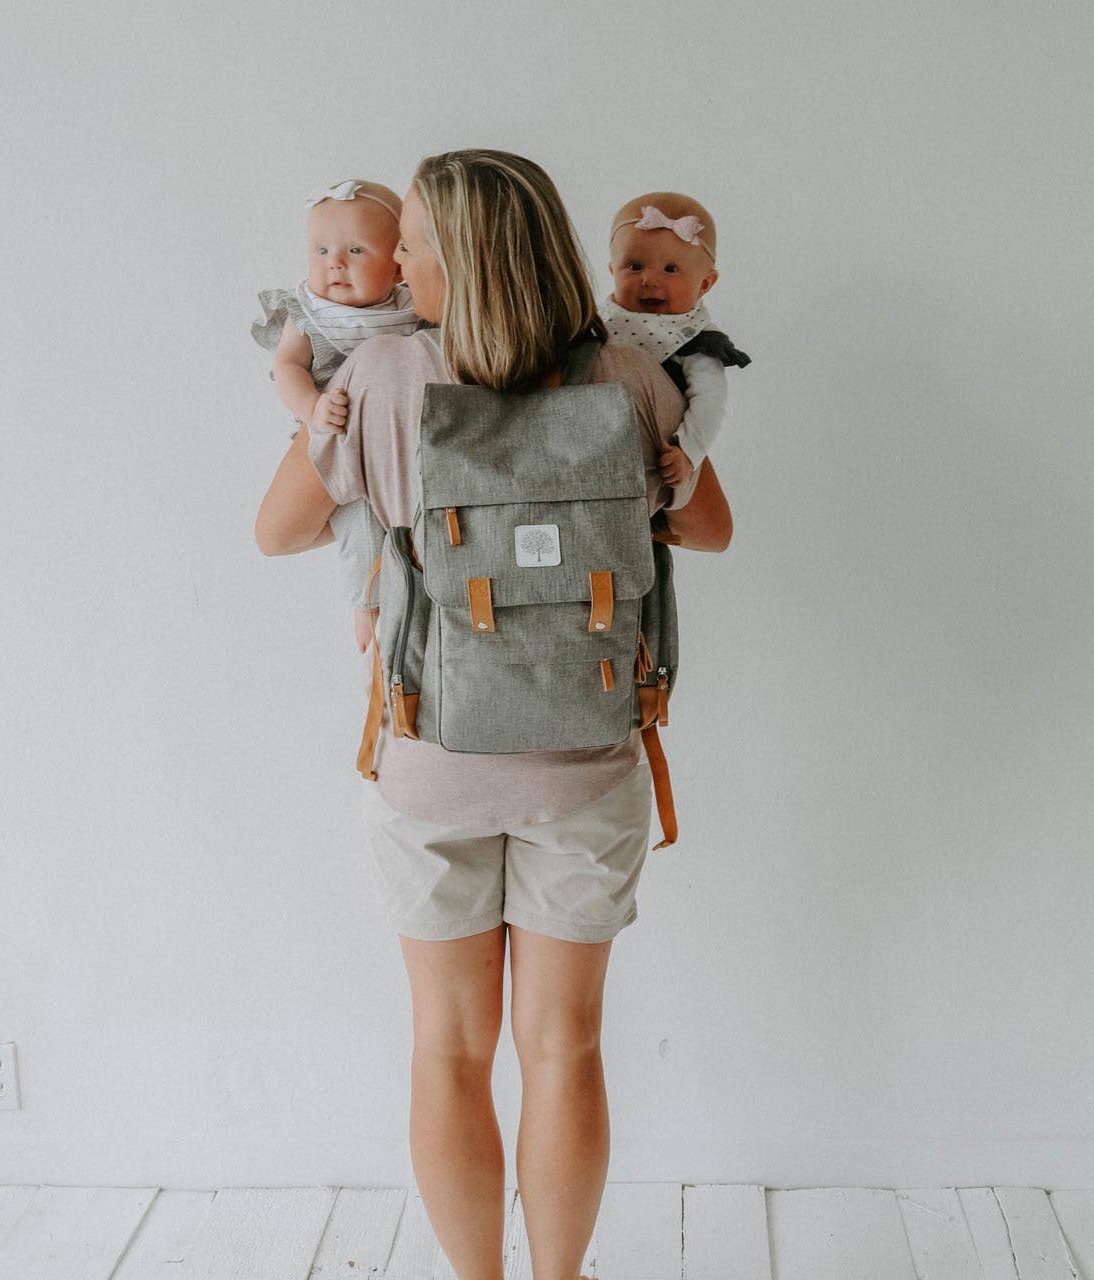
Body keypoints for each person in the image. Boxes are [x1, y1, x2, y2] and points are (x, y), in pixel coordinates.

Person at [255, 149, 732, 1280]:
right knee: (564, 1049)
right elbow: (707, 530)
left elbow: (277, 531)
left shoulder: (375, 377)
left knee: (449, 1047)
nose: (398, 256)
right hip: (587, 761)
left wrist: (322, 428)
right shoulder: (626, 374)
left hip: (430, 761)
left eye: (412, 239)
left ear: (455, 259)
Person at [250, 177, 426, 651]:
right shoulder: (311, 310)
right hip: (337, 434)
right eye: (321, 250)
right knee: (362, 528)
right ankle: (367, 611)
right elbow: (287, 366)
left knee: (411, 530)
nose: (335, 264)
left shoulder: (414, 309)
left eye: (356, 250)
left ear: (398, 264)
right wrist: (313, 409)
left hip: (401, 449)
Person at [601, 190, 752, 491]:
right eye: (634, 266)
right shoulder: (597, 323)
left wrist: (687, 453)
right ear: (612, 270)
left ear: (705, 283)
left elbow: (709, 404)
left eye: (671, 269)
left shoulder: (694, 341)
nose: (650, 279)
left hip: (658, 458)